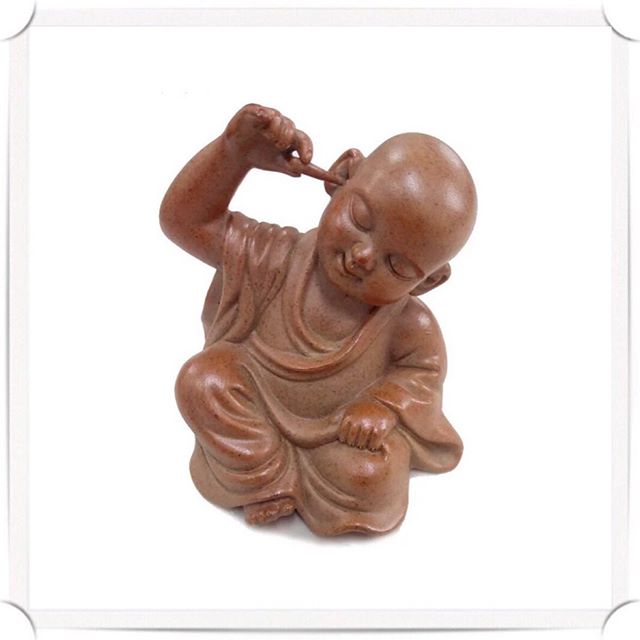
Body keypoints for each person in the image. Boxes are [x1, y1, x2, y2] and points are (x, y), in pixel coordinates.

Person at [160, 103, 477, 536]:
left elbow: (421, 377)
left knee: (370, 475)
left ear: (429, 282)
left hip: (338, 436)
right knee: (203, 380)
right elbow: (184, 221)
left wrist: (381, 406)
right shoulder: (274, 257)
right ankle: (268, 478)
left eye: (397, 266)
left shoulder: (408, 324)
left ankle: (281, 476)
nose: (363, 256)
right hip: (253, 404)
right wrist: (233, 153)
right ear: (343, 175)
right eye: (360, 219)